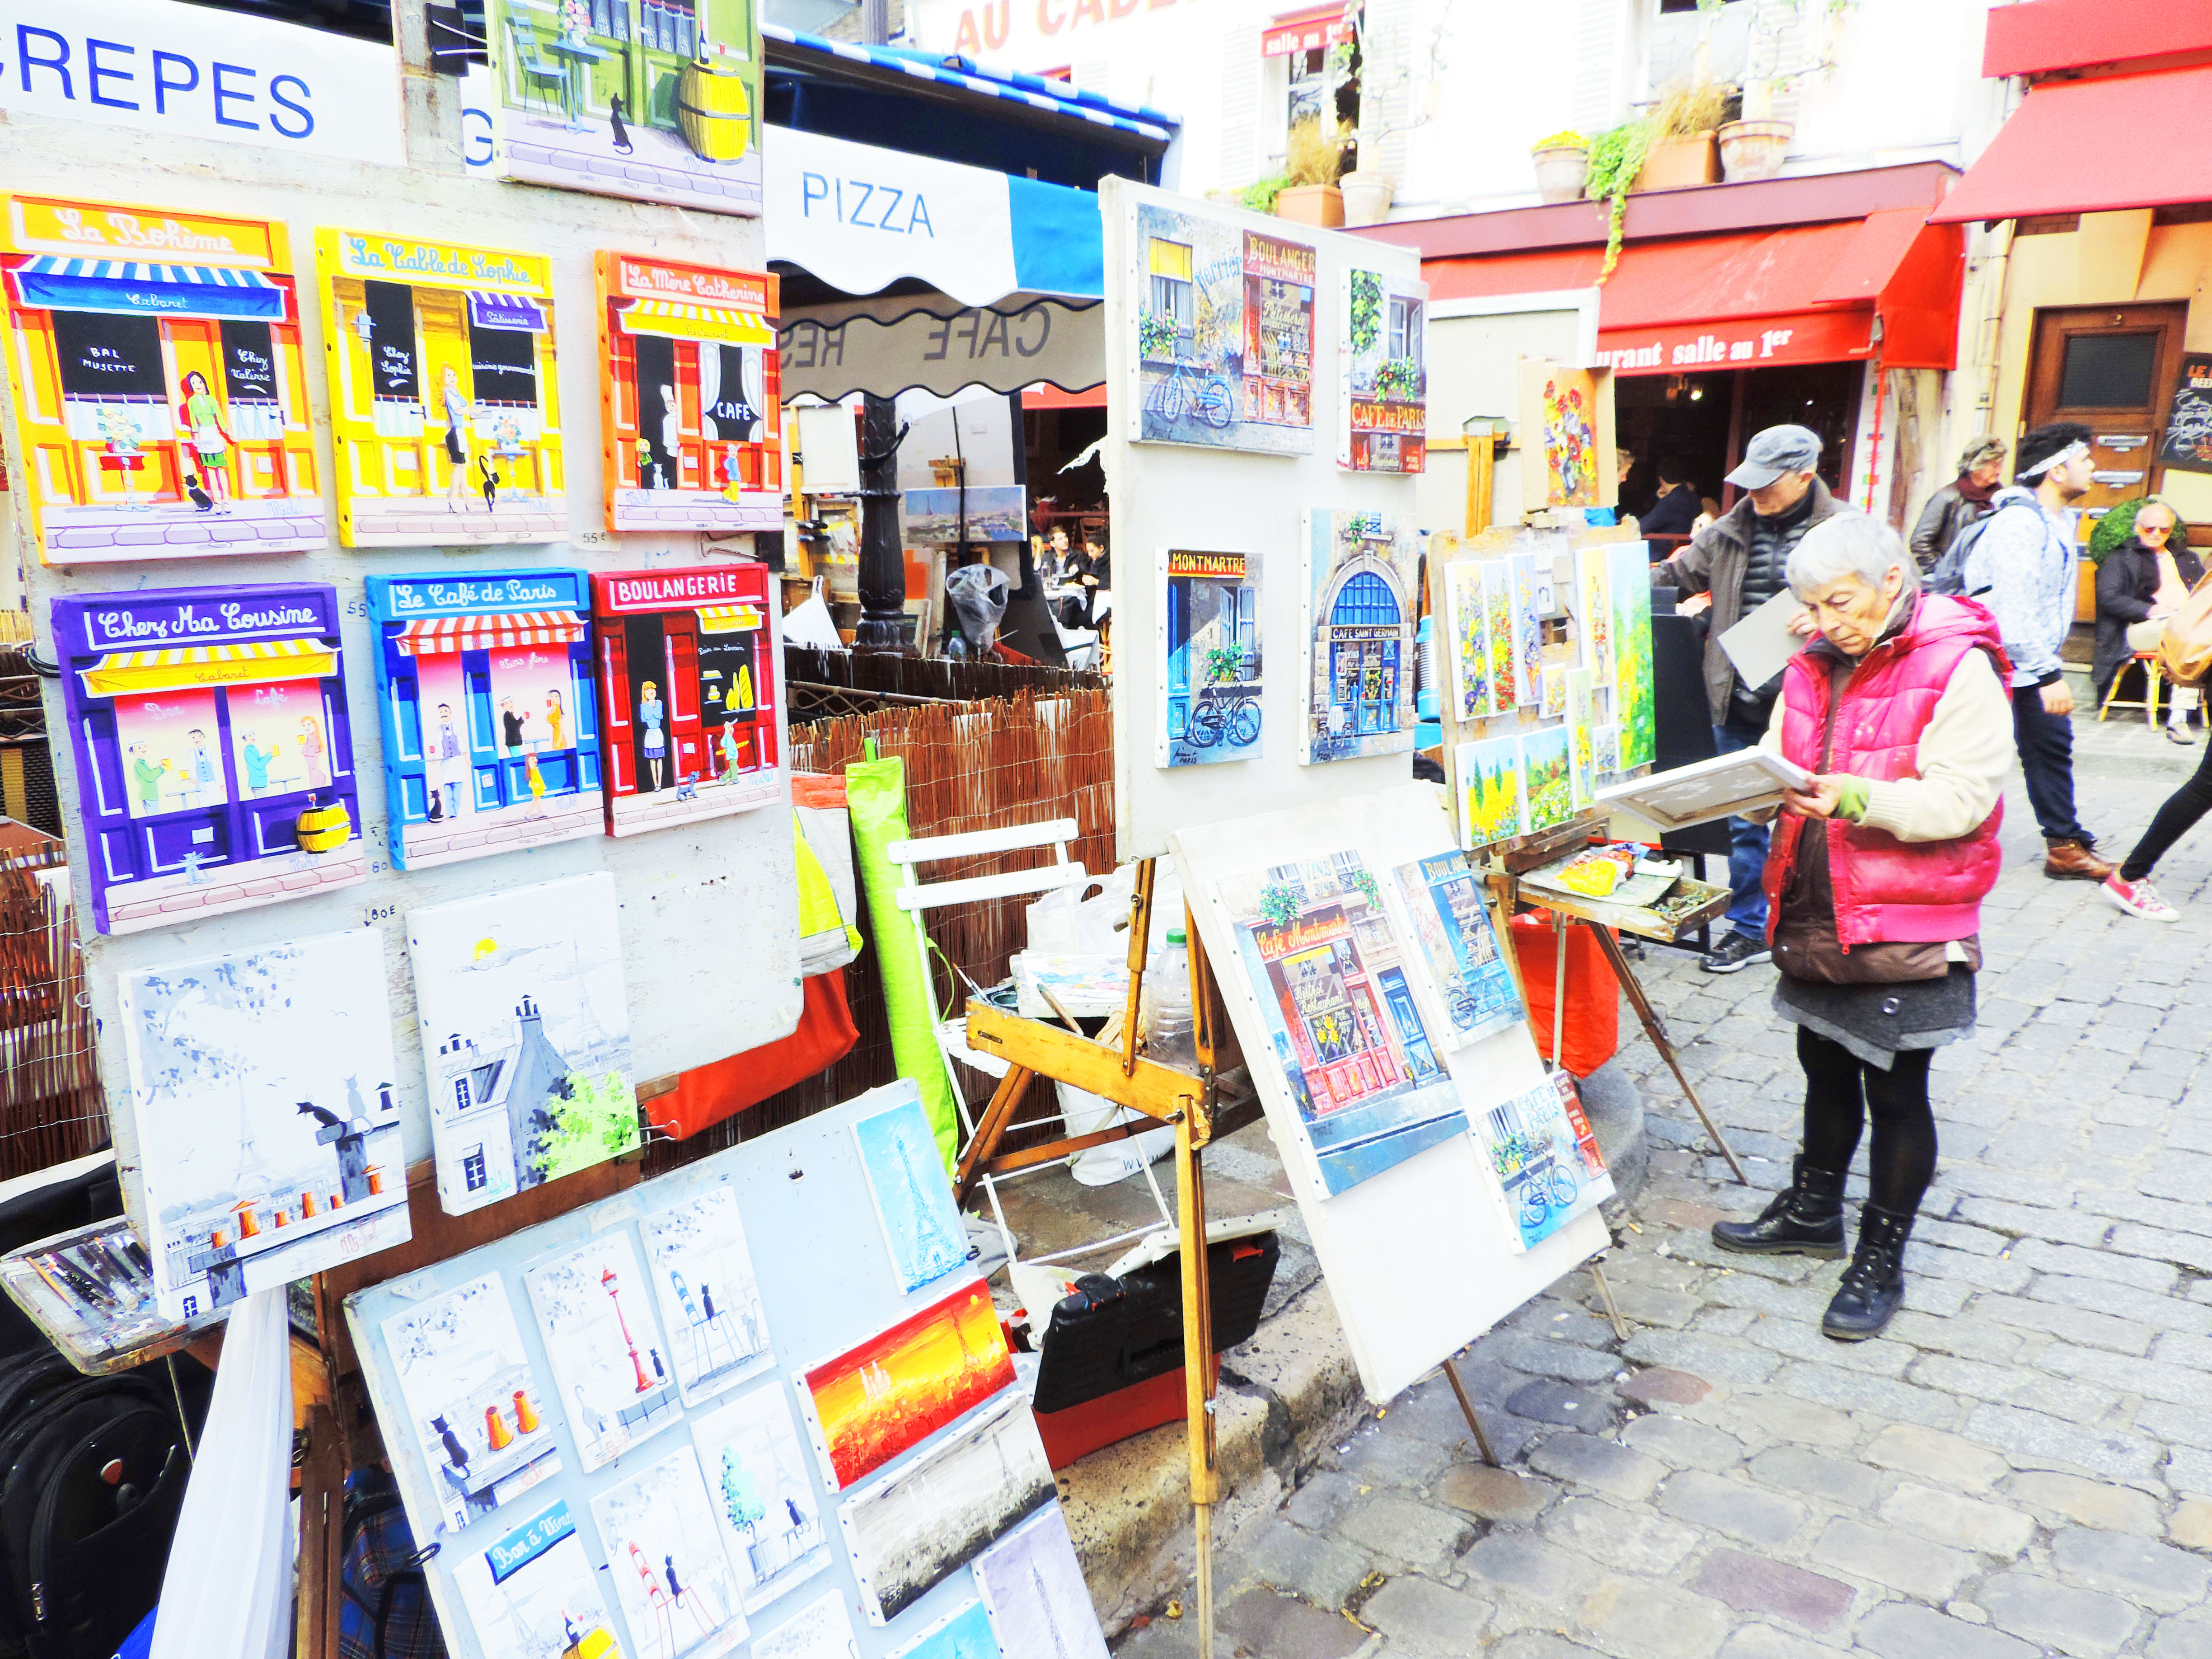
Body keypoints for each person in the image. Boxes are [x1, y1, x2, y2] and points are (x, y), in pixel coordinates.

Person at [1711, 516, 2013, 1340]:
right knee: (1822, 1061)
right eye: (1810, 604)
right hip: (1822, 900)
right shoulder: (1811, 655)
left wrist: (1850, 795)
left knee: (1895, 1088)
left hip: (1904, 912)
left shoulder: (1958, 663)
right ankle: (1814, 1210)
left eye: (1840, 601)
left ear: (1891, 577)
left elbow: (1964, 800)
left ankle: (1881, 1258)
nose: (1826, 619)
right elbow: (1773, 738)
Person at [1652, 424, 1856, 973]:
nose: (1755, 493)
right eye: (1749, 482)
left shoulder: (1848, 532)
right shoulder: (1726, 531)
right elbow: (1671, 576)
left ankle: (1831, 923)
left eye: (1768, 483)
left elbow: (1891, 604)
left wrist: (1824, 617)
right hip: (1738, 698)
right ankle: (1749, 927)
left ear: (1806, 476)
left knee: (1824, 816)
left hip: (1821, 703)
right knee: (1746, 820)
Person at [1962, 422, 2110, 880]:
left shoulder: (2055, 520)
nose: (2092, 467)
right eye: (2083, 460)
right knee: (1980, 751)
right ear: (2057, 471)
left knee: (2048, 746)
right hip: (2001, 663)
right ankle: (2061, 844)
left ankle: (2064, 842)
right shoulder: (2020, 525)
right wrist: (2047, 674)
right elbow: (2015, 608)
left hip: (2021, 663)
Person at [2093, 497, 2201, 744]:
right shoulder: (2122, 557)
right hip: (2139, 628)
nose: (2156, 534)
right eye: (2149, 528)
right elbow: (2109, 598)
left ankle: (2181, 714)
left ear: (2171, 530)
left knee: (2194, 634)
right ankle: (2179, 718)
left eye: (2163, 529)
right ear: (2137, 527)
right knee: (2188, 631)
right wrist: (2152, 610)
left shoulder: (2186, 558)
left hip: (2182, 627)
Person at [1908, 436, 2006, 573]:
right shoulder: (1947, 497)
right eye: (1994, 465)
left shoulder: (2001, 499)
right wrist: (1943, 573)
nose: (1999, 471)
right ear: (1976, 465)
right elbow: (1920, 543)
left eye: (2001, 465)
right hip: (1951, 588)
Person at [176, 370, 233, 514]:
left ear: (204, 383)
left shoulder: (211, 400)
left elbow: (219, 417)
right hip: (203, 435)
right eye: (194, 383)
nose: (198, 385)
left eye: (200, 382)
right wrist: (196, 436)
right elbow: (193, 420)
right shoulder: (192, 402)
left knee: (220, 469)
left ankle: (226, 500)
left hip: (214, 434)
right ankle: (217, 502)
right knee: (210, 471)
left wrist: (227, 432)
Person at [1640, 457, 1703, 537]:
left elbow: (1642, 527)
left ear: (1661, 480)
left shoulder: (1671, 501)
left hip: (1669, 548)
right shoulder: (1693, 496)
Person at [441, 366, 473, 514]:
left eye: (454, 374)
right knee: (459, 467)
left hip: (460, 432)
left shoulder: (457, 392)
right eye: (448, 375)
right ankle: (454, 500)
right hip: (454, 432)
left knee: (462, 467)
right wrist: (473, 411)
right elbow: (458, 410)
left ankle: (466, 501)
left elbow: (463, 406)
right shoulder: (448, 393)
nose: (452, 378)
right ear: (443, 378)